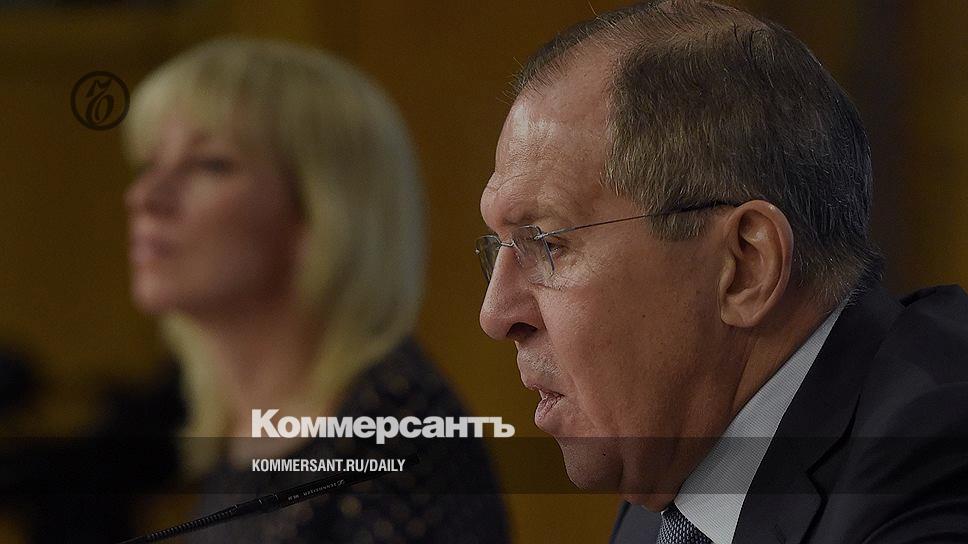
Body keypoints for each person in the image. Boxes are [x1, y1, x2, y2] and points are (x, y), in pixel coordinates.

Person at [475, 1, 968, 543]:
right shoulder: (673, 469)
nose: (495, 315)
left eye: (547, 244)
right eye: (501, 247)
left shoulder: (933, 468)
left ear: (745, 268)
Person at [123, 38, 508, 543]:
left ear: (323, 212)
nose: (145, 196)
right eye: (150, 164)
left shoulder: (398, 434)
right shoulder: (242, 423)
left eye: (210, 163)